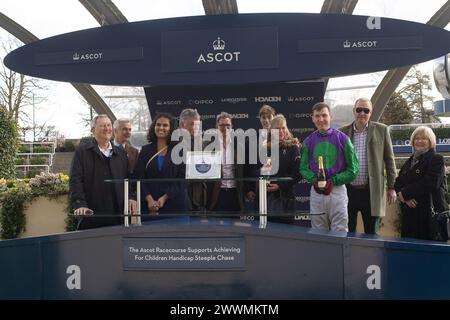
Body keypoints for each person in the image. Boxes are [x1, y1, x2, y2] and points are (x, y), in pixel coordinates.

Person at [339, 98, 397, 235]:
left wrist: (392, 187)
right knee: (347, 232)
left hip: (371, 192)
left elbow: (389, 160)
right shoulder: (342, 133)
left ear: (371, 112)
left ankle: (371, 257)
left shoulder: (382, 130)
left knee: (372, 234)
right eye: (359, 109)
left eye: (366, 110)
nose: (362, 113)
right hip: (348, 191)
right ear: (354, 111)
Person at [300, 102, 359, 232]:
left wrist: (334, 181)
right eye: (317, 116)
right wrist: (314, 180)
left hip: (337, 190)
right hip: (317, 191)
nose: (321, 119)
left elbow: (353, 169)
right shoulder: (307, 142)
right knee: (318, 230)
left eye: (324, 115)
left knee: (340, 230)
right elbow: (303, 168)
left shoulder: (343, 139)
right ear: (313, 118)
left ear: (330, 116)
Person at [69, 114, 130, 230]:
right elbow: (75, 180)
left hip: (119, 216)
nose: (107, 129)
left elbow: (128, 179)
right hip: (92, 214)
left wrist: (131, 197)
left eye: (109, 125)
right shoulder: (82, 152)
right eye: (102, 126)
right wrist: (80, 204)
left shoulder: (121, 153)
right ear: (93, 130)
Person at [394, 126, 448, 241]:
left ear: (430, 141)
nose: (419, 141)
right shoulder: (409, 161)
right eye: (416, 138)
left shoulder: (436, 159)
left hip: (430, 217)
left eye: (424, 138)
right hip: (411, 217)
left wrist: (405, 193)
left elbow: (431, 182)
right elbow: (398, 181)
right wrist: (403, 196)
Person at [134, 113, 189, 218]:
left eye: (165, 125)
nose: (161, 128)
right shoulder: (145, 150)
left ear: (171, 129)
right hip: (150, 206)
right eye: (158, 125)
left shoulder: (180, 150)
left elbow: (183, 179)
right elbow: (139, 177)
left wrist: (164, 198)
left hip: (175, 205)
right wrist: (149, 199)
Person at [263, 114, 301, 224]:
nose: (281, 131)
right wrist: (262, 177)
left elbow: (298, 174)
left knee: (286, 235)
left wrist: (279, 185)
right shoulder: (265, 148)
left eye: (283, 128)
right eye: (277, 128)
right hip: (265, 199)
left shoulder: (293, 147)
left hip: (286, 199)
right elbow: (255, 170)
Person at [207, 112, 245, 214]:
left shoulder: (240, 145)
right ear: (216, 126)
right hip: (217, 194)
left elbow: (245, 170)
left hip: (236, 193)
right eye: (222, 125)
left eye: (228, 125)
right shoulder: (209, 145)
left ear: (232, 127)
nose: (225, 128)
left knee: (236, 227)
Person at [178, 108, 207, 212]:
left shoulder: (204, 144)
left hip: (200, 198)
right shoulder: (172, 145)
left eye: (198, 125)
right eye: (192, 124)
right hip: (180, 195)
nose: (196, 128)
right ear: (182, 125)